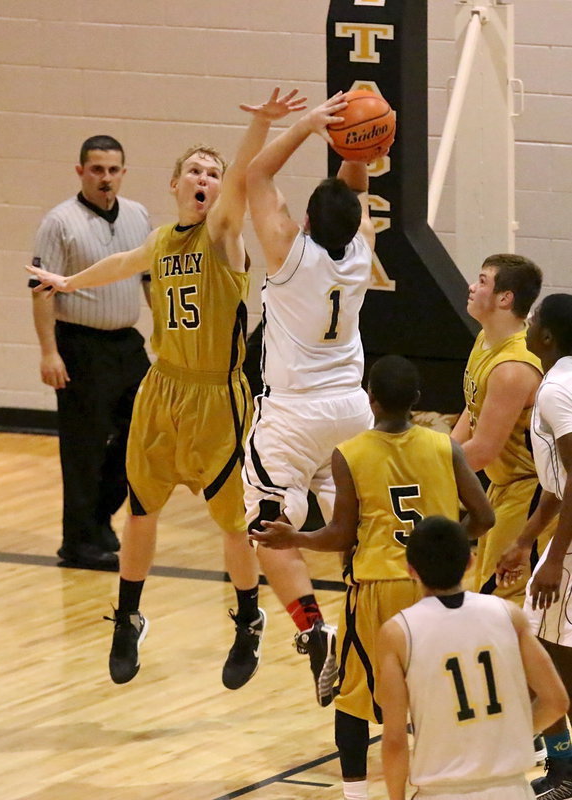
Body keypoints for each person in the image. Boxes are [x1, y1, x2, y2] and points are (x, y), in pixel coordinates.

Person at [27, 89, 307, 690]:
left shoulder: (224, 235)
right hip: (163, 389)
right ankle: (127, 617)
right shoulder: (160, 240)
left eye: (213, 173)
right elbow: (125, 262)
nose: (205, 179)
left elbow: (239, 183)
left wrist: (260, 125)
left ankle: (248, 620)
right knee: (142, 511)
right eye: (195, 172)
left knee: (234, 525)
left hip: (219, 396)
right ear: (176, 183)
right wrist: (67, 280)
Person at [250, 355, 495, 800]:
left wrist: (296, 539)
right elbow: (484, 515)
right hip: (436, 587)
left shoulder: (349, 453)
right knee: (434, 689)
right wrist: (446, 544)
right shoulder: (445, 446)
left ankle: (356, 794)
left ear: (371, 399)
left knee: (354, 695)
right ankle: (441, 783)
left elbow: (341, 533)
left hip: (376, 587)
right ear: (417, 401)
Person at [243, 92, 376, 707]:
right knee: (368, 529)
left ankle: (314, 628)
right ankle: (380, 634)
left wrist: (306, 125)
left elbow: (256, 175)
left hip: (294, 413)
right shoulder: (362, 250)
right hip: (352, 410)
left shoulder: (286, 253)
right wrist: (359, 142)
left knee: (266, 530)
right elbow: (351, 191)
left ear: (300, 224)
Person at [378, 515, 568, 800]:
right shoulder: (507, 614)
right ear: (471, 561)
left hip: (441, 792)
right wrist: (508, 740)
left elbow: (394, 740)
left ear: (411, 570)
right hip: (511, 790)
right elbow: (556, 701)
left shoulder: (397, 633)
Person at [30, 135, 151, 571]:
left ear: (123, 173)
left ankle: (99, 518)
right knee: (82, 449)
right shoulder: (59, 222)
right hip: (80, 345)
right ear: (80, 171)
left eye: (113, 170)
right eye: (96, 170)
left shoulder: (138, 216)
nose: (105, 178)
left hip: (127, 344)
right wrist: (49, 353)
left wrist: (169, 336)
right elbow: (42, 291)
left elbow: (150, 280)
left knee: (144, 436)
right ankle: (78, 542)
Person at [496, 294, 572, 800]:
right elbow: (557, 482)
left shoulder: (555, 391)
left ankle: (562, 773)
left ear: (545, 337)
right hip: (562, 539)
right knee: (545, 653)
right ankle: (562, 767)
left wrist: (556, 560)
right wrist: (525, 541)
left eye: (534, 320)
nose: (527, 324)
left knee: (550, 662)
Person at [451, 253, 554, 602]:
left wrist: (425, 464)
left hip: (531, 491)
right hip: (503, 486)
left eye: (482, 281)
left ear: (504, 298)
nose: (472, 286)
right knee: (491, 595)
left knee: (498, 601)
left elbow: (481, 451)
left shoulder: (513, 367)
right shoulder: (485, 340)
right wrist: (442, 449)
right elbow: (474, 407)